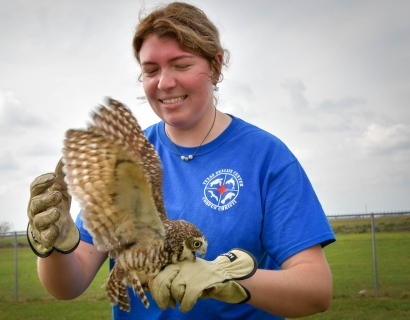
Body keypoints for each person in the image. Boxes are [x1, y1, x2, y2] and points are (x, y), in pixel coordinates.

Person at [27, 2, 335, 319]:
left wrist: (228, 278)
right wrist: (55, 243)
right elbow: (68, 285)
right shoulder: (127, 157)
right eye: (151, 70)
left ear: (215, 66)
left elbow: (315, 290)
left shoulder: (266, 157)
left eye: (181, 65)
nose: (164, 82)